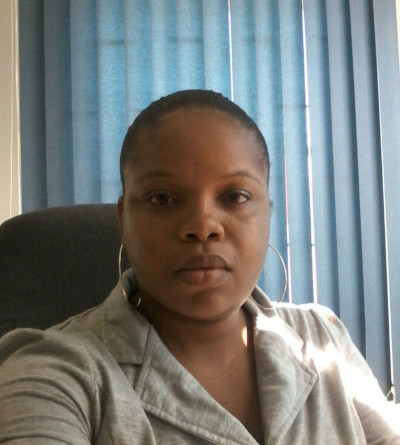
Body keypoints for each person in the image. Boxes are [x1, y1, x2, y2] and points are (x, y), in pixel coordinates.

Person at [0, 89, 398, 444]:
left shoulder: (321, 336)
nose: (203, 225)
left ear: (268, 212)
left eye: (235, 196)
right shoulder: (55, 372)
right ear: (124, 220)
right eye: (162, 199)